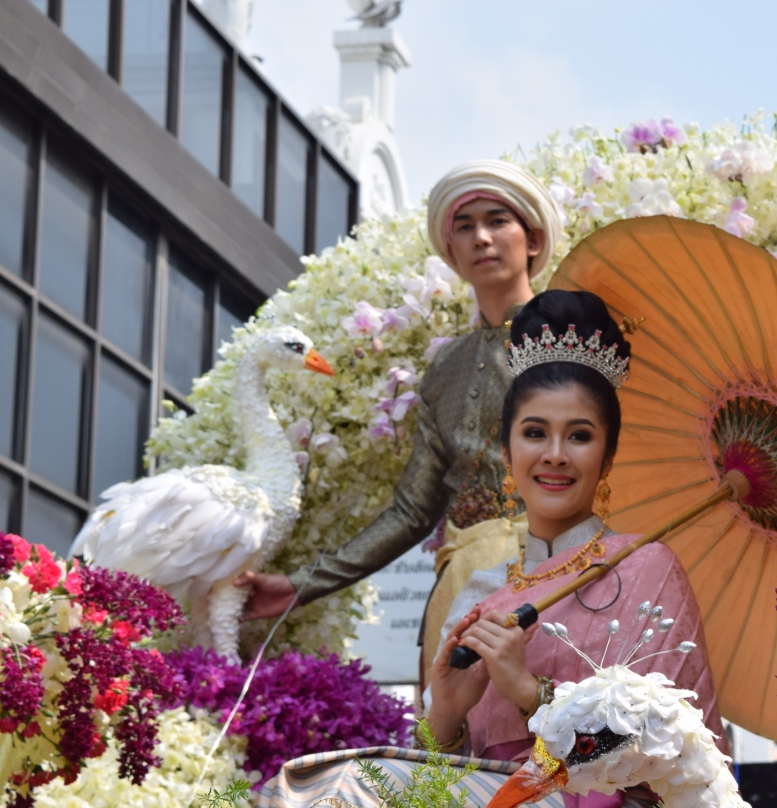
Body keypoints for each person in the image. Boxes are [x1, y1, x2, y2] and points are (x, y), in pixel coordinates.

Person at [248, 291, 724, 808]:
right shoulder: (484, 588)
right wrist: (446, 713)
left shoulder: (645, 566)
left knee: (334, 792)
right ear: (506, 451)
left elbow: (680, 746)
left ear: (608, 456)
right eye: (534, 433)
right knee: (291, 795)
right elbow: (442, 763)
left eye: (579, 435)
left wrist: (531, 692)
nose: (554, 454)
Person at [234, 160, 563, 674]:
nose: (481, 237)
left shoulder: (570, 342)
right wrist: (299, 586)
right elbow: (412, 512)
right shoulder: (445, 371)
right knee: (449, 747)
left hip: (557, 584)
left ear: (534, 239)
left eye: (498, 220)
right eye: (464, 226)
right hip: (460, 590)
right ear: (450, 253)